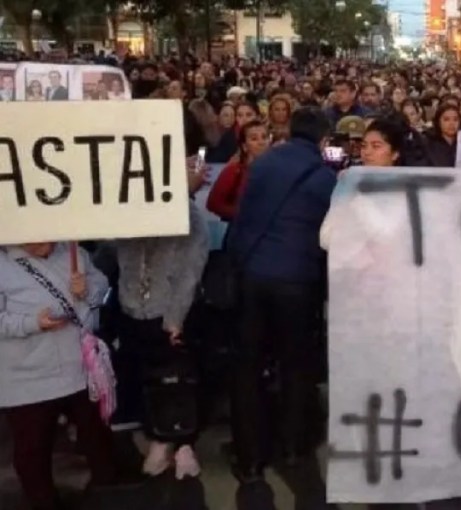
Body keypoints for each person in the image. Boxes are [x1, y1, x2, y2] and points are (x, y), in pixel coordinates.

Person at [229, 107, 337, 503]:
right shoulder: (325, 178)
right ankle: (293, 447)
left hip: (255, 276)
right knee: (296, 367)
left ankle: (250, 457)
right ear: (323, 139)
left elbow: (245, 215)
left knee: (248, 369)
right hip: (297, 281)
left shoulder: (265, 162)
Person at [1, 242, 117, 509]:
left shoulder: (73, 251)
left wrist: (88, 289)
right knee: (33, 447)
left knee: (97, 433)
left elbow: (102, 285)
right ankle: (44, 502)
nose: (46, 243)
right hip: (26, 375)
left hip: (80, 365)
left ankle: (108, 491)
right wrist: (31, 323)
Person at [117, 156, 209, 480]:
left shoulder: (190, 218)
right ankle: (160, 438)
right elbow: (122, 255)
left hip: (169, 312)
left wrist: (175, 318)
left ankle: (179, 444)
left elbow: (190, 272)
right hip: (135, 309)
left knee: (177, 380)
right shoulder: (133, 210)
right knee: (150, 378)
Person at [207, 121, 271, 221]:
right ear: (244, 146)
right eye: (254, 139)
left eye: (264, 137)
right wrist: (245, 213)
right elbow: (213, 204)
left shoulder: (276, 171)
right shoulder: (234, 171)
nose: (261, 142)